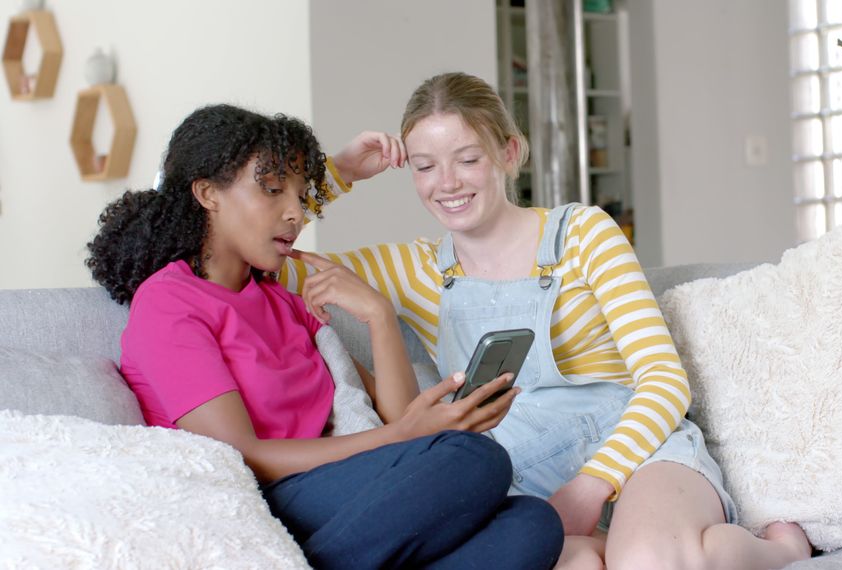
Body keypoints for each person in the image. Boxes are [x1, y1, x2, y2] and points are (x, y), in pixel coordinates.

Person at [281, 73, 813, 569]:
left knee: (646, 561)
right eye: (424, 166)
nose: (446, 183)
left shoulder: (584, 234)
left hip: (637, 448)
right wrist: (338, 174)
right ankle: (703, 550)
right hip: (517, 472)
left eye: (467, 159)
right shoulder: (412, 268)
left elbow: (664, 381)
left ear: (508, 153)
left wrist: (590, 486)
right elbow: (255, 259)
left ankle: (778, 552)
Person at [85, 103, 564, 570]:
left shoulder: (284, 302)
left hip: (346, 494)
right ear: (208, 194)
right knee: (475, 460)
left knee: (533, 524)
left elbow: (398, 416)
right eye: (273, 190)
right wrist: (402, 437)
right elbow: (241, 455)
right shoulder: (169, 302)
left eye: (299, 195)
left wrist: (378, 314)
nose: (295, 213)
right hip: (270, 494)